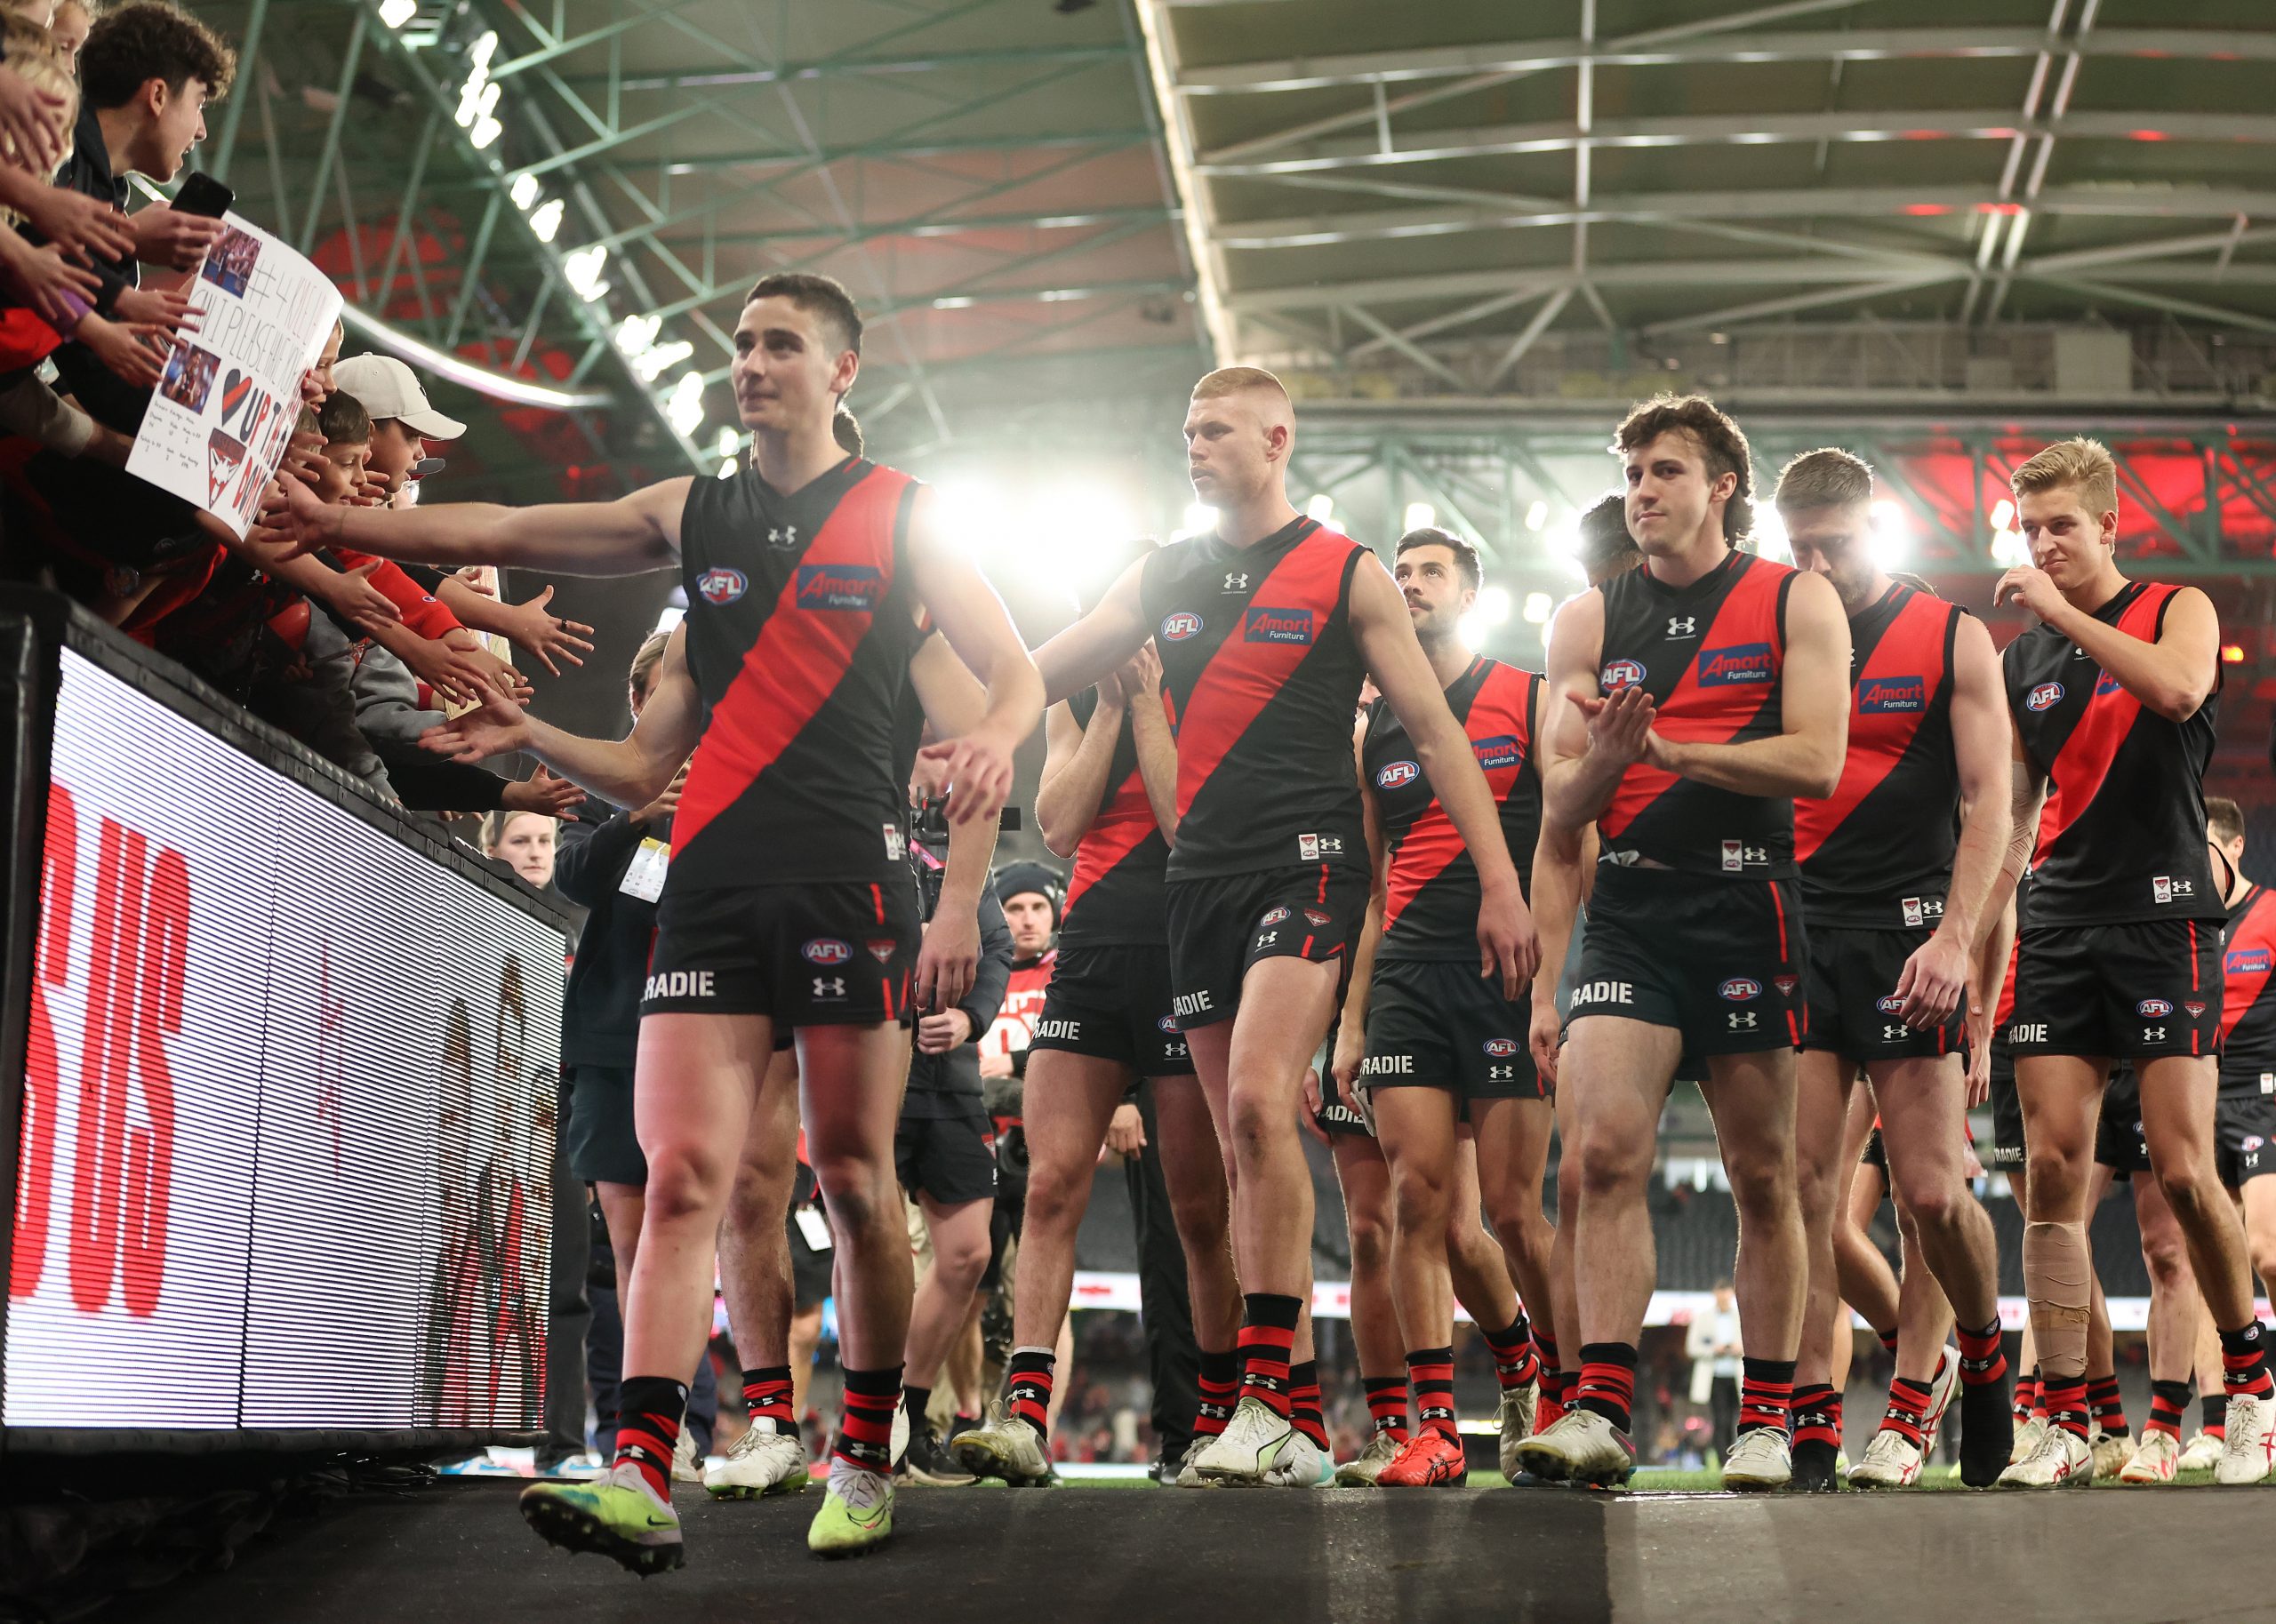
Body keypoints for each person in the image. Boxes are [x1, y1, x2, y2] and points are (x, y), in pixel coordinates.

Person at [262, 269, 1044, 1565]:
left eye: (780, 343)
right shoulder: (698, 518)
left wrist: (998, 745)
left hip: (851, 887)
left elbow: (1012, 674)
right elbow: (615, 727)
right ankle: (640, 1467)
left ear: (842, 371)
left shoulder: (903, 517)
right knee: (684, 1176)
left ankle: (863, 1451)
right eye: (740, 343)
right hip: (716, 891)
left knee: (854, 1180)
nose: (751, 361)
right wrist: (517, 713)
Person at [1024, 364, 1535, 1488]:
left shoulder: (1346, 571)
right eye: (1186, 428)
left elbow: (1438, 738)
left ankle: (1270, 1396)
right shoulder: (1158, 572)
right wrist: (946, 716)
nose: (1194, 446)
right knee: (1238, 1141)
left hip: (1305, 869)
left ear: (1276, 437)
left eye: (1214, 429)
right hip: (1193, 884)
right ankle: (1290, 1417)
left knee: (1260, 1100)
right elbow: (1048, 666)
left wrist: (1501, 880)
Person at [1519, 394, 1849, 1492]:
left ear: (1721, 488)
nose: (1643, 492)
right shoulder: (1586, 617)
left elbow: (1813, 763)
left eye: (1666, 472)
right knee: (1602, 1154)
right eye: (1633, 475)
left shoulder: (1792, 598)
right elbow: (1562, 805)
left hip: (1746, 907)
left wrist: (1662, 747)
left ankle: (1765, 1418)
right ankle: (1598, 1408)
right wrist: (1610, 760)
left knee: (1766, 1179)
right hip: (1630, 912)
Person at [1991, 436, 2276, 1487]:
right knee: (2051, 1181)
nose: (2044, 544)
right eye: (2030, 528)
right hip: (2057, 926)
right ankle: (2071, 1417)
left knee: (2184, 1168)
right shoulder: (2019, 662)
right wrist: (1986, 939)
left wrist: (2062, 613)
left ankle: (2245, 1389)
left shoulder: (2175, 607)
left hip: (2162, 920)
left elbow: (2179, 693)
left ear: (2110, 526)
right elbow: (2016, 816)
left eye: (2062, 525)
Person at [1773, 449, 2014, 1489]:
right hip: (1796, 937)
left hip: (1908, 940)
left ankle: (1978, 1358)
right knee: (1800, 1198)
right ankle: (1820, 1419)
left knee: (1927, 1192)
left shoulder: (1948, 636)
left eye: (1835, 541)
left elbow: (1990, 802)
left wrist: (1956, 941)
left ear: (1876, 527)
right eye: (1800, 547)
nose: (1818, 563)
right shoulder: (1775, 621)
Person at [950, 646, 1239, 1488]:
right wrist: (1111, 706)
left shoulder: (1204, 688)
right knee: (1050, 1185)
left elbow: (1184, 817)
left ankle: (1213, 1418)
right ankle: (1027, 1413)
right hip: (1092, 952)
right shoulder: (1075, 701)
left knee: (1195, 1209)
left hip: (1184, 950)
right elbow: (1059, 825)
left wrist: (1148, 700)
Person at [1339, 527, 1550, 1488]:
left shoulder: (1527, 696)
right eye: (1401, 574)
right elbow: (1377, 887)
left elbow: (1566, 854)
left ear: (1471, 593)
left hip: (1506, 981)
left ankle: (1571, 1391)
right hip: (1409, 979)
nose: (1412, 585)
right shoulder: (1371, 727)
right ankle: (1436, 1430)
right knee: (1416, 1200)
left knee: (1509, 1212)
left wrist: (1553, 983)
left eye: (1430, 573)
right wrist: (1349, 1019)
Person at [891, 747, 1012, 1485]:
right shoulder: (856, 822)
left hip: (949, 1079)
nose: (934, 764)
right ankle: (870, 1425)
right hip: (869, 1067)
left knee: (967, 1252)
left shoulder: (953, 853)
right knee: (870, 1249)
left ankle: (904, 1419)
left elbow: (993, 942)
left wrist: (969, 1018)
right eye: (926, 747)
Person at [1685, 1281, 1743, 1460]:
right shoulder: (1703, 1317)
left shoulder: (1740, 1317)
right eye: (1721, 1292)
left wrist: (1738, 1348)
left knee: (1735, 1419)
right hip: (1715, 1377)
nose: (1724, 1297)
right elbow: (1692, 1347)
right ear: (1715, 1293)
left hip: (1736, 1376)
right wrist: (1713, 1350)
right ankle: (1723, 1459)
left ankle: (1735, 1455)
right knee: (1720, 1418)